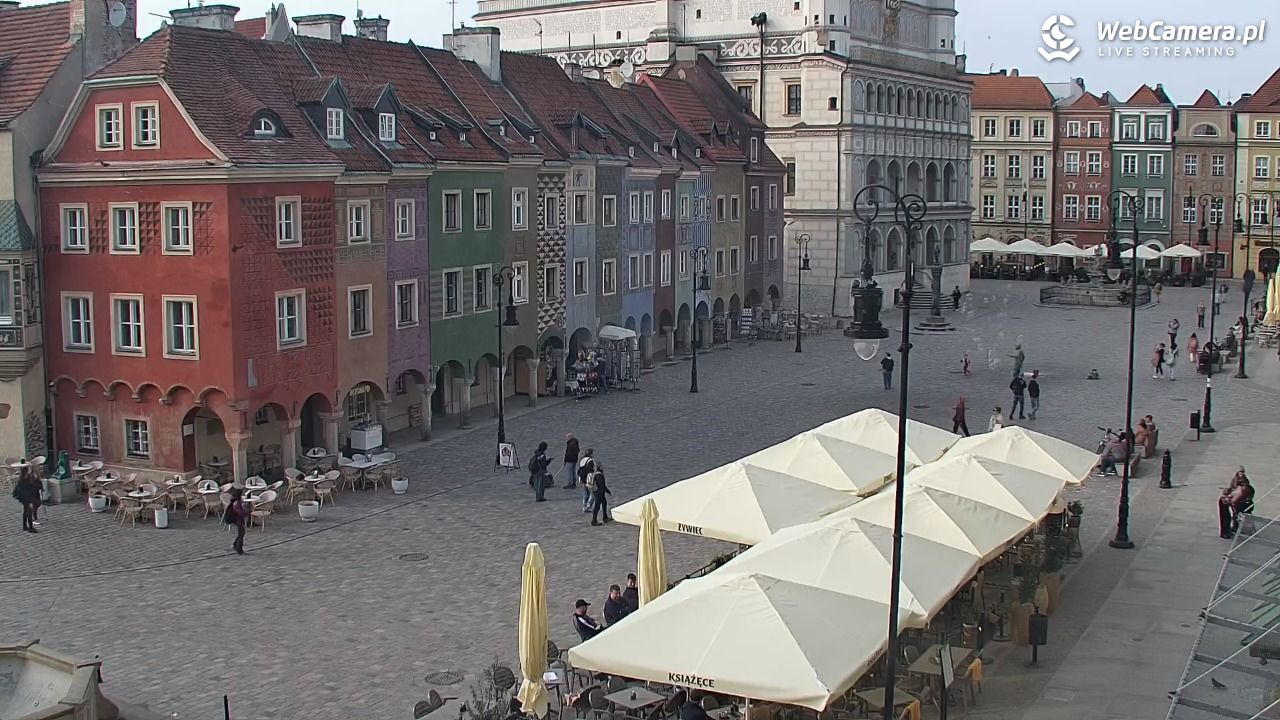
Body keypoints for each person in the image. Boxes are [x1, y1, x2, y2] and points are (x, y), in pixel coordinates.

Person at [12, 467, 41, 533]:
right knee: (29, 511)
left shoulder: (25, 478)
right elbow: (31, 488)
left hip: (25, 497)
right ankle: (30, 527)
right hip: (25, 497)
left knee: (26, 510)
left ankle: (25, 526)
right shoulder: (24, 480)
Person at [224, 487, 249, 554]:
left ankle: (235, 544)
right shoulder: (237, 503)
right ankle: (239, 548)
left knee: (241, 533)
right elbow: (240, 512)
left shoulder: (236, 502)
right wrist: (247, 512)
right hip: (238, 519)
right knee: (241, 533)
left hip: (238, 519)